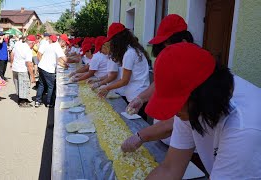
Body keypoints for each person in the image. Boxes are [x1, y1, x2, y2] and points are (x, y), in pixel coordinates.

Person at [145, 42, 261, 179]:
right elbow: (170, 168)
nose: (173, 112)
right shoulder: (191, 105)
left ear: (201, 95)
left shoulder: (243, 128)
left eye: (175, 103)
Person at [121, 14, 194, 152]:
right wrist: (140, 98)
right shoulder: (173, 61)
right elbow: (159, 84)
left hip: (184, 146)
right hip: (161, 137)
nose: (166, 52)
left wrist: (141, 136)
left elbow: (181, 120)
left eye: (168, 46)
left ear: (184, 42)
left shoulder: (194, 67)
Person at [97, 23, 151, 121]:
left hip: (137, 97)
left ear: (117, 40)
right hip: (138, 94)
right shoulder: (133, 50)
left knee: (136, 125)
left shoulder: (129, 53)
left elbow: (124, 80)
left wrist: (106, 88)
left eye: (112, 41)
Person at [35, 34, 69, 108]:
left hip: (41, 67)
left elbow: (55, 60)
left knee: (41, 84)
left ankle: (37, 101)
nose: (65, 44)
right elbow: (65, 59)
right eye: (65, 43)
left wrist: (63, 65)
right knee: (51, 87)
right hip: (48, 69)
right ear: (62, 42)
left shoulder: (51, 45)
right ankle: (49, 103)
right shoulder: (57, 47)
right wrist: (70, 62)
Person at [10, 35, 36, 107]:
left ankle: (21, 99)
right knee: (24, 85)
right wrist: (32, 76)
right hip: (22, 69)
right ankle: (22, 101)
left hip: (15, 68)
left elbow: (12, 54)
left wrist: (12, 63)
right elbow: (29, 64)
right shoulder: (28, 50)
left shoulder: (18, 44)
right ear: (32, 43)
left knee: (18, 84)